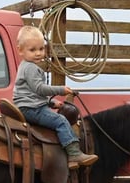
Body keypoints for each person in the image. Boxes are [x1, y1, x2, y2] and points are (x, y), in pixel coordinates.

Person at [13, 25, 98, 170]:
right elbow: (39, 89)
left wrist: (51, 103)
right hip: (31, 109)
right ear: (20, 50)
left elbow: (31, 93)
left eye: (41, 49)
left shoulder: (25, 66)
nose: (38, 53)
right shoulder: (31, 68)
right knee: (60, 121)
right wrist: (61, 89)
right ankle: (74, 153)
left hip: (27, 105)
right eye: (32, 50)